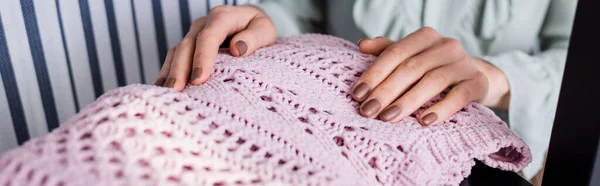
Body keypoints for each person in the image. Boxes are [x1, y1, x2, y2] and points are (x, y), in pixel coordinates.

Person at [152, 0, 577, 185]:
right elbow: (299, 11)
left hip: (484, 162)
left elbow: (579, 59)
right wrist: (261, 26)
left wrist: (493, 76)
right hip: (327, 146)